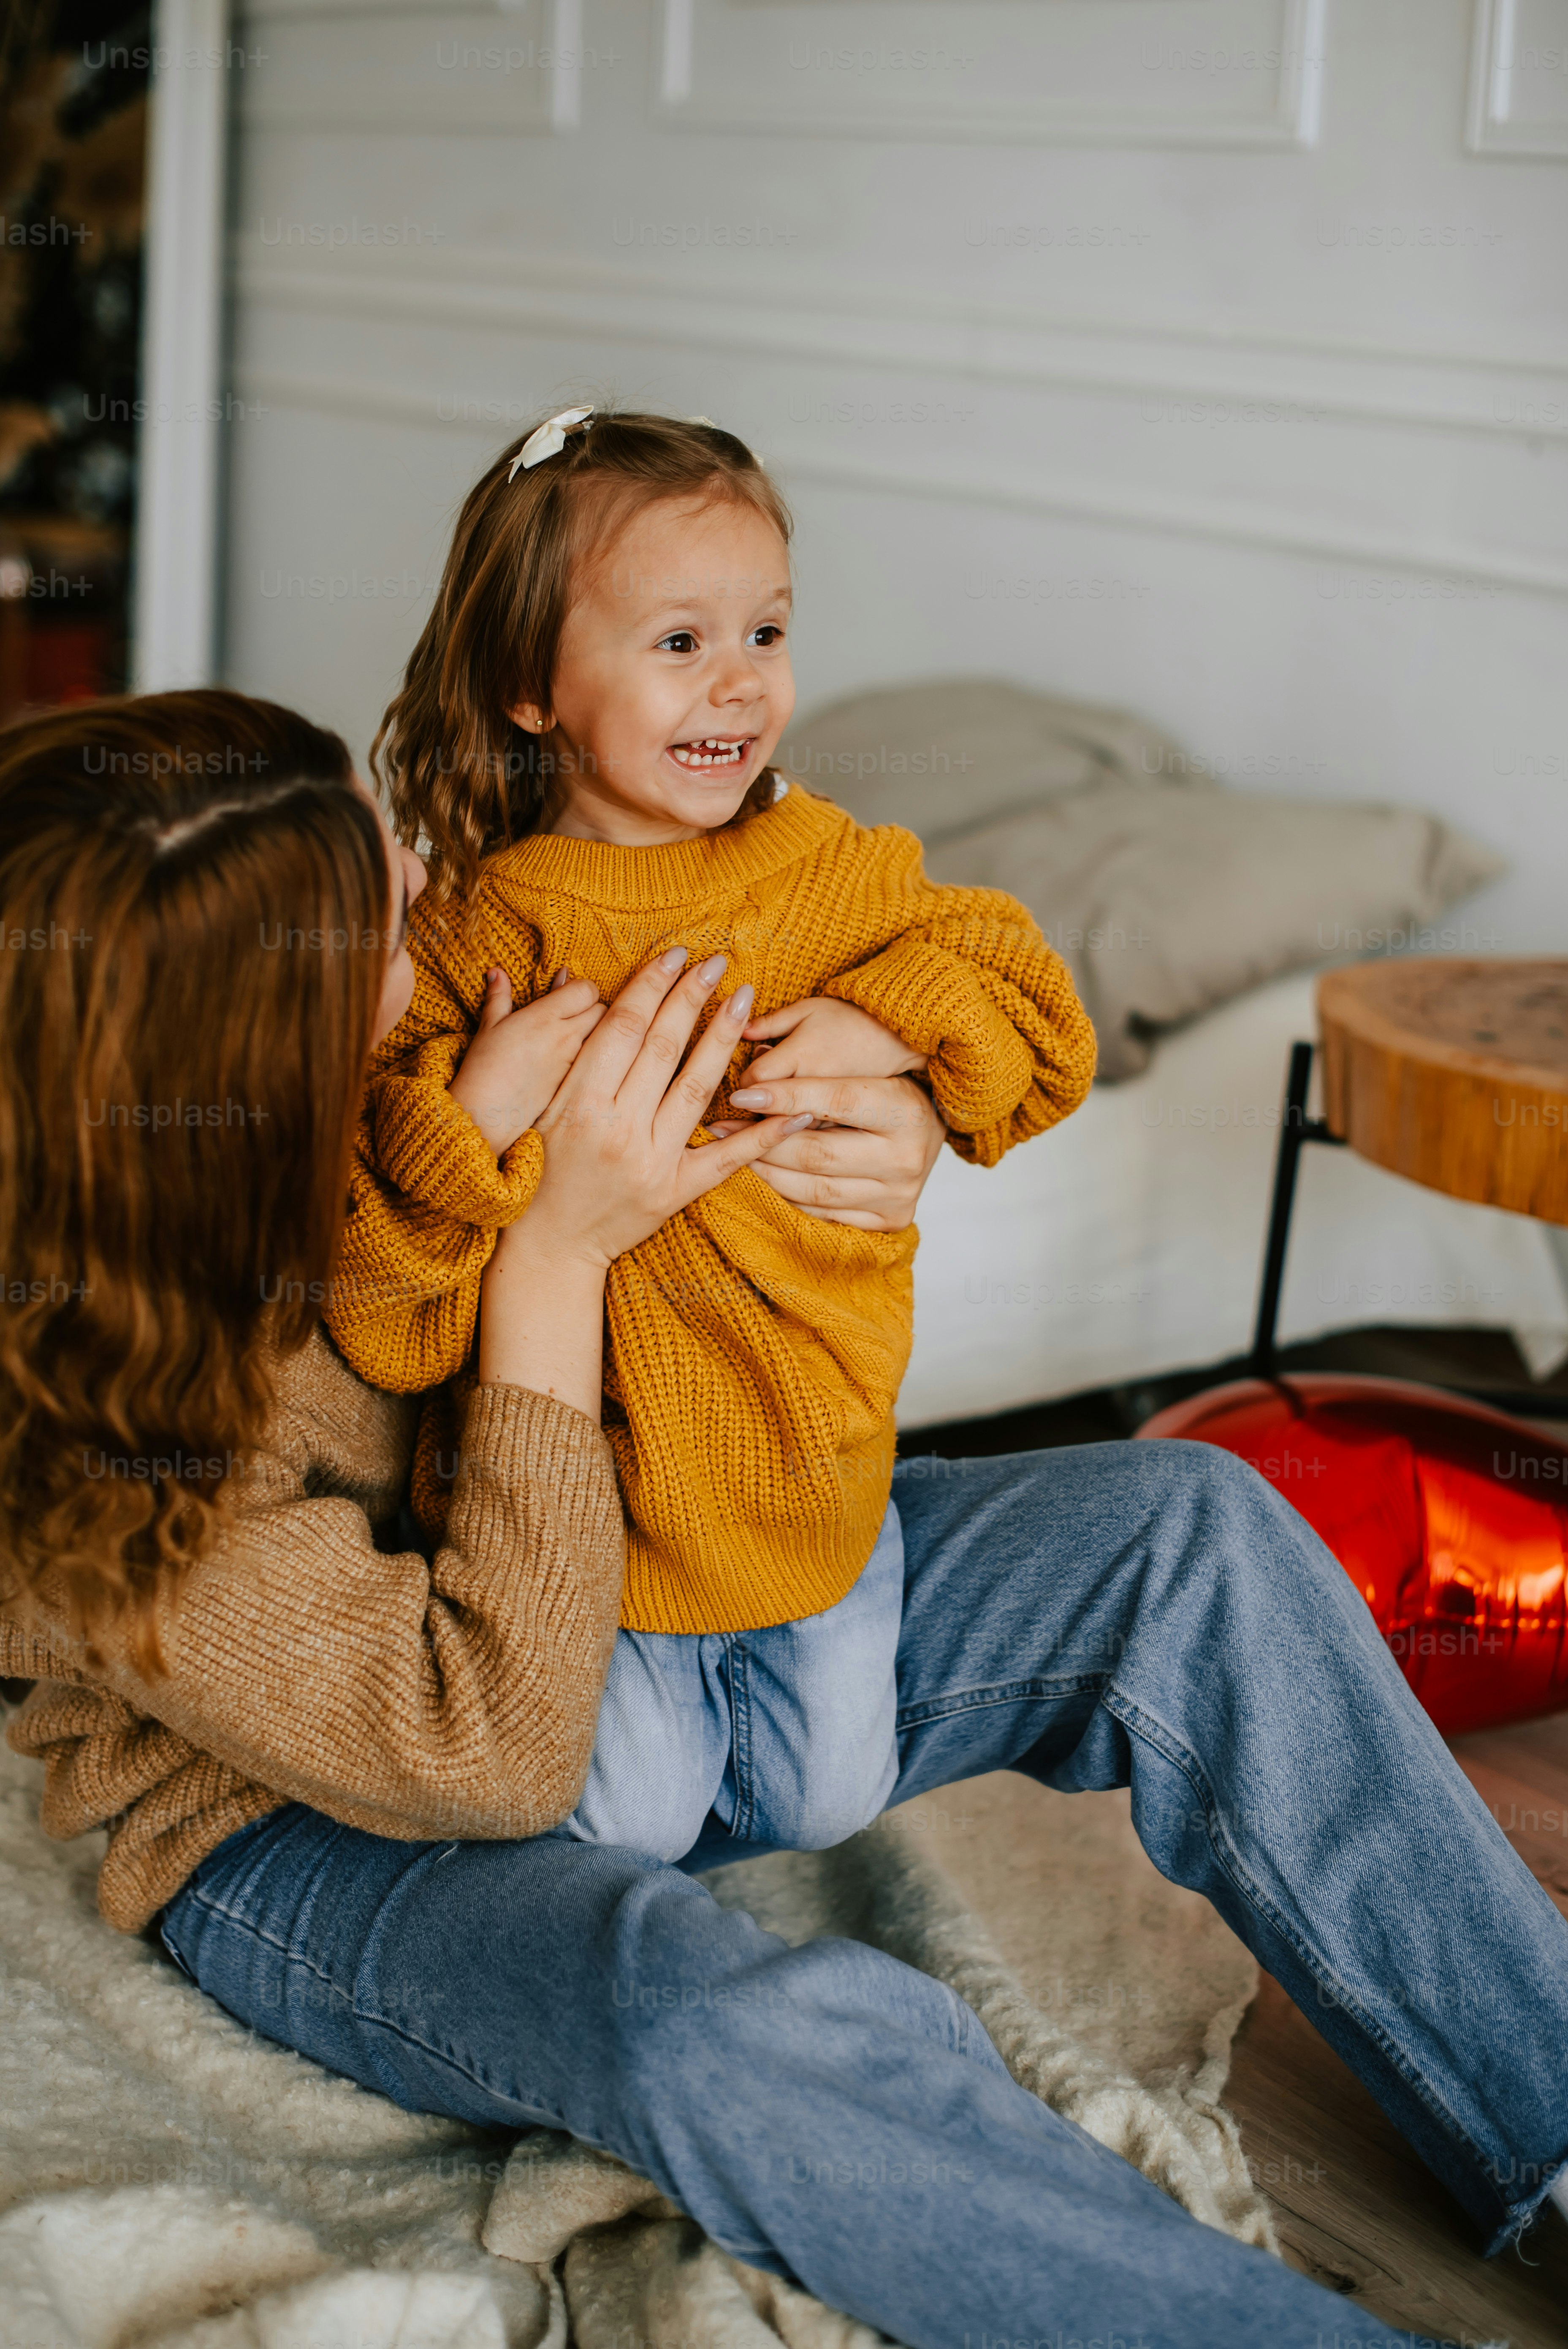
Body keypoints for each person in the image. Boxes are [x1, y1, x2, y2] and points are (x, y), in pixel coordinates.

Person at [1, 689, 1564, 2349]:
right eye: (394, 922)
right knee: (706, 2020)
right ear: (246, 1063)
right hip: (319, 1819)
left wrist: (880, 1112)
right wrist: (553, 1261)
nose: (440, 923)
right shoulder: (78, 1428)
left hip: (635, 1605)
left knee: (1190, 1530)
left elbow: (792, 1008)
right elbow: (500, 1749)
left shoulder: (432, 1010)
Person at [324, 405, 1097, 1862]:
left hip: (809, 1465)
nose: (736, 684)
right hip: (584, 1510)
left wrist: (890, 1029)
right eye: (678, 644)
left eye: (766, 632)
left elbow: (1042, 1016)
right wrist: (469, 1118)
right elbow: (386, 1318)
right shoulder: (475, 934)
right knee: (627, 1814)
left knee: (824, 1801)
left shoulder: (827, 867)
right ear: (530, 687)